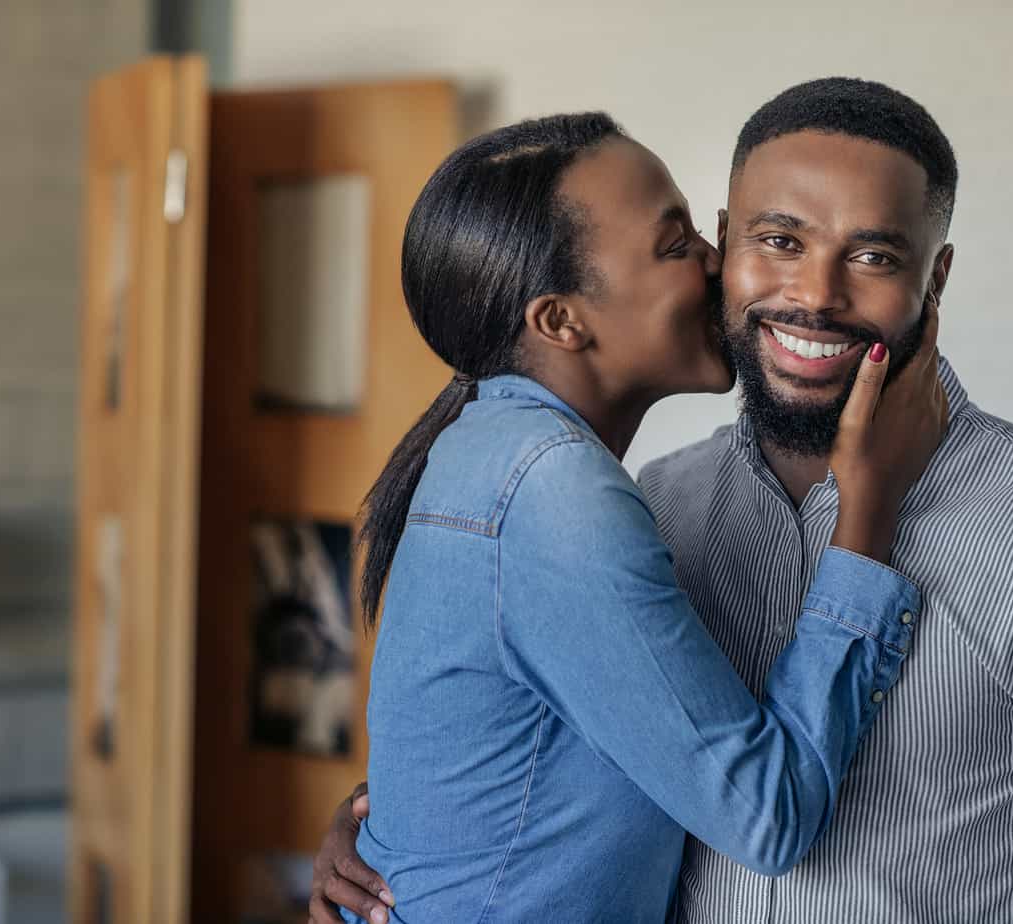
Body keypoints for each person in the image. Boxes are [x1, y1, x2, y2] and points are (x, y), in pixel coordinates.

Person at [312, 79, 1013, 923]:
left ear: (933, 281)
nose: (814, 295)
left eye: (872, 254)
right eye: (777, 241)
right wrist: (390, 832)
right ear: (727, 246)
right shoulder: (648, 510)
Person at [331, 111, 948, 923]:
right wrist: (867, 512)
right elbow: (765, 815)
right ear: (560, 320)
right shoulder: (551, 490)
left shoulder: (490, 450)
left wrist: (384, 821)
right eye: (674, 244)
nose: (715, 263)